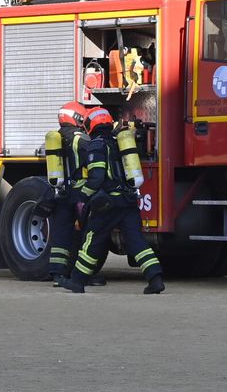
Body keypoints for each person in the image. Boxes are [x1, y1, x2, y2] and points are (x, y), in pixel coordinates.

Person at [59, 106, 164, 294]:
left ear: (90, 125)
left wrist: (83, 195)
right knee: (136, 241)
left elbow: (97, 177)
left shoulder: (97, 145)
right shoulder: (119, 142)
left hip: (108, 204)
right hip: (128, 201)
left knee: (91, 240)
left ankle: (77, 280)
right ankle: (155, 278)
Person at [43, 102, 89, 284]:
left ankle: (57, 273)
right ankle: (84, 273)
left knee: (61, 232)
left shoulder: (56, 138)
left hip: (61, 192)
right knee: (87, 232)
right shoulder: (82, 139)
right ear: (77, 118)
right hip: (79, 193)